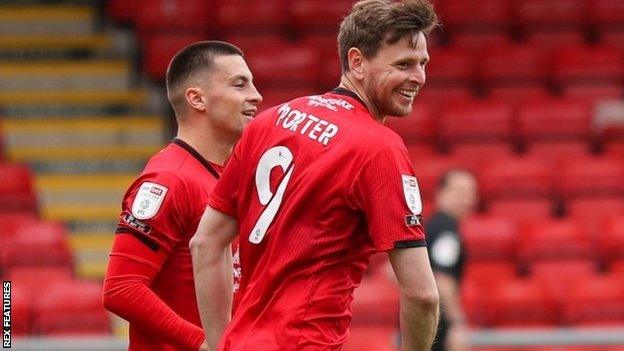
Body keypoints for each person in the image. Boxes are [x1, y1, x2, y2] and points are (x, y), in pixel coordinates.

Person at [190, 1, 440, 350]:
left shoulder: (270, 120)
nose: (419, 77)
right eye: (403, 64)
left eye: (422, 64)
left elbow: (205, 243)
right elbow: (422, 294)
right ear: (357, 62)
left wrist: (219, 343)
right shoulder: (379, 148)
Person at [102, 41, 262, 351]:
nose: (256, 95)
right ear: (197, 98)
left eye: (252, 84)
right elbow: (121, 288)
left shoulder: (228, 177)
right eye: (239, 84)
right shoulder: (170, 179)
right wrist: (205, 344)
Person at [426, 169, 478, 351]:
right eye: (460, 192)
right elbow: (443, 278)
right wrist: (457, 323)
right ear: (441, 193)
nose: (467, 200)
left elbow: (391, 272)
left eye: (471, 193)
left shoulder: (429, 226)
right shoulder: (446, 231)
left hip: (421, 324)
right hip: (438, 331)